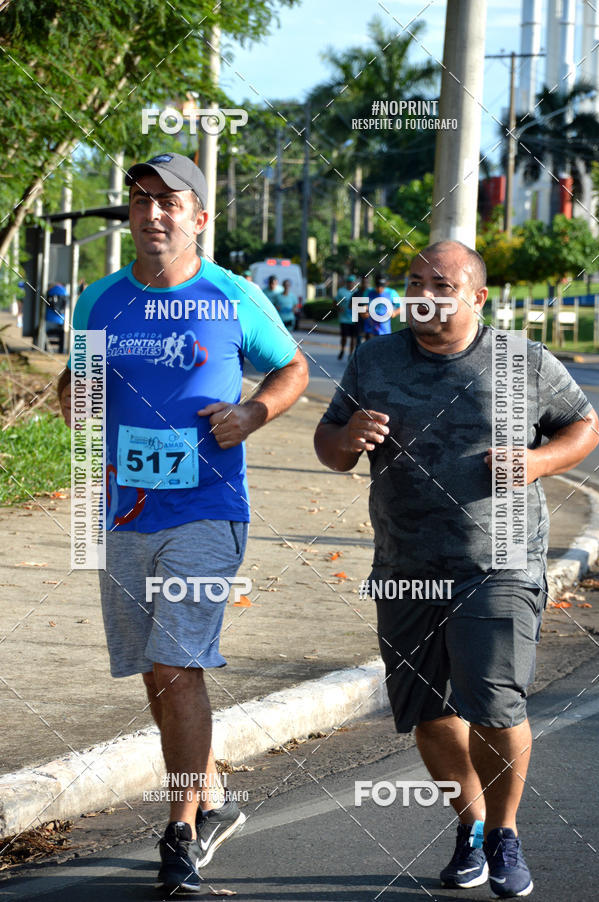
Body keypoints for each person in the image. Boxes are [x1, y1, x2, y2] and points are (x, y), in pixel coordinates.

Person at [314, 240, 599, 898]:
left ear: (476, 295)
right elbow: (330, 446)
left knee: (496, 706)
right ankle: (470, 827)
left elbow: (583, 426)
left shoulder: (522, 360)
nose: (422, 293)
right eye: (413, 281)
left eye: (439, 283)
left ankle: (505, 832)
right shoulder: (377, 359)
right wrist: (345, 438)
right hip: (406, 564)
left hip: (498, 563)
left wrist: (537, 463)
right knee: (431, 714)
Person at [57, 151, 308, 893]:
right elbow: (84, 383)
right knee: (156, 671)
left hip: (207, 507)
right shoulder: (99, 300)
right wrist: (76, 394)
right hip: (124, 509)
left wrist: (253, 412)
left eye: (170, 201)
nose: (153, 213)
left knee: (176, 662)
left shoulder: (231, 295)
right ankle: (214, 799)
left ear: (200, 217)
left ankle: (180, 832)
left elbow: (292, 368)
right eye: (141, 201)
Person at [335, 274, 359, 359]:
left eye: (352, 282)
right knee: (344, 336)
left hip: (354, 318)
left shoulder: (357, 292)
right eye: (349, 282)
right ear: (347, 283)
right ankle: (342, 349)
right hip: (344, 319)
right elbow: (335, 302)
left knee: (353, 337)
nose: (350, 284)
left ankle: (350, 354)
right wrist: (338, 307)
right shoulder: (341, 291)